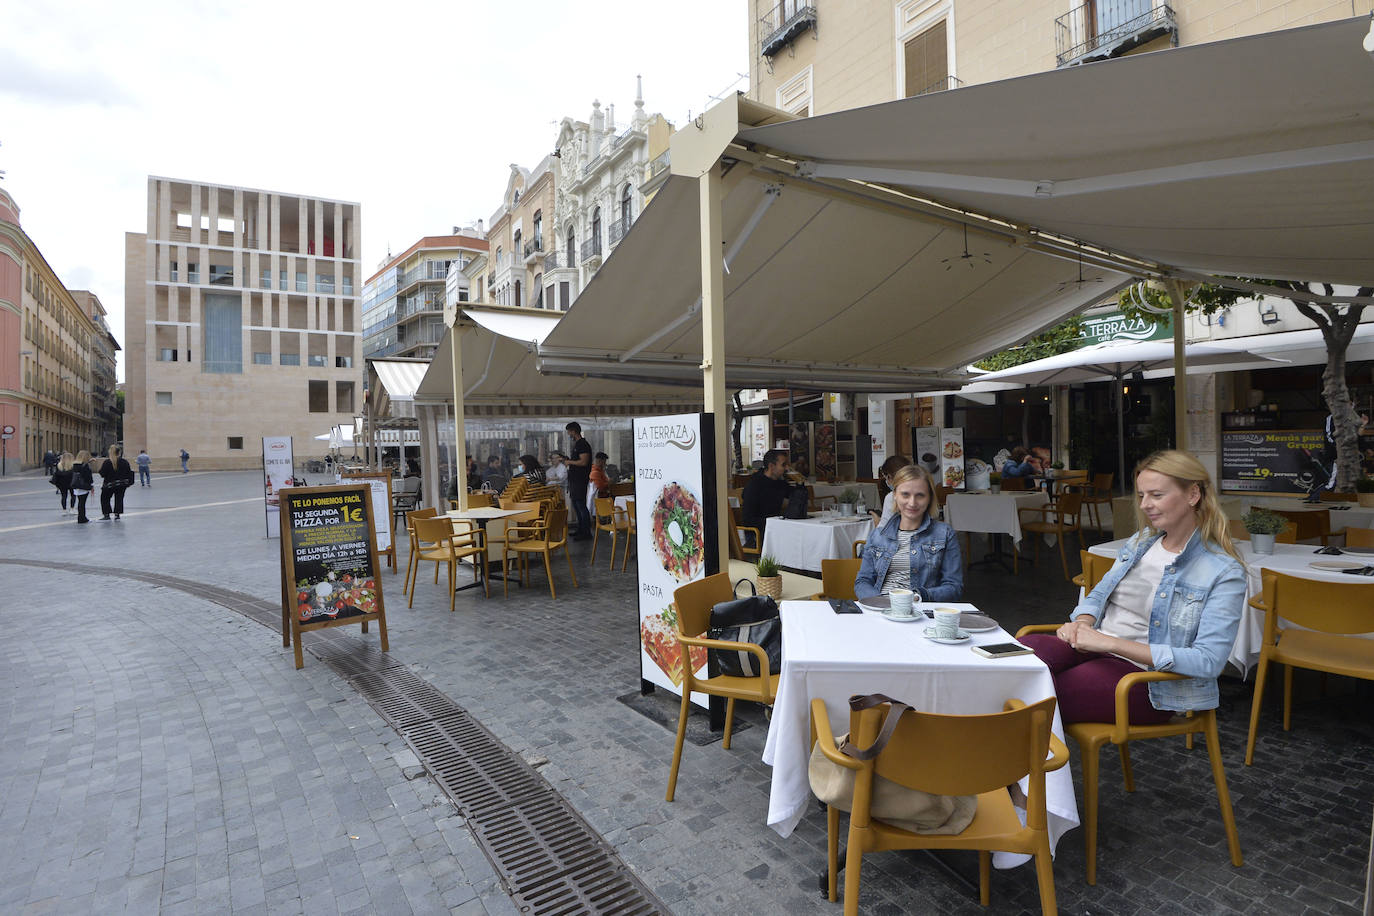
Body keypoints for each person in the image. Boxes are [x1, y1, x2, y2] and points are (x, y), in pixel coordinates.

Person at [1019, 450, 1245, 726]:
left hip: (1148, 682)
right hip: (1094, 649)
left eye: (1156, 495)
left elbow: (1208, 661)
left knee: (1038, 695)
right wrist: (1082, 622)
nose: (1145, 505)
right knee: (1018, 658)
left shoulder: (1223, 571)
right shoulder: (1141, 542)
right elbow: (1100, 592)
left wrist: (1111, 643)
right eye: (1141, 495)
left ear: (1193, 495)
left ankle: (1017, 765)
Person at [854, 464, 963, 601]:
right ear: (894, 495)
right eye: (905, 494)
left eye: (920, 496)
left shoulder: (944, 534)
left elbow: (954, 587)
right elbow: (863, 581)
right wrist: (879, 602)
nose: (912, 503)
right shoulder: (877, 535)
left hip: (920, 611)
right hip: (880, 609)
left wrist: (919, 597)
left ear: (929, 498)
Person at [740, 449, 797, 545]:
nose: (787, 468)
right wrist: (775, 522)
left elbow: (797, 495)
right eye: (783, 465)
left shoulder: (779, 482)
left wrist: (799, 480)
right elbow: (748, 520)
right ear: (771, 466)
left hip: (776, 528)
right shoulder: (754, 485)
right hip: (758, 534)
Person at [565, 422, 593, 539]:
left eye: (569, 432)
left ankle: (586, 531)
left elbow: (584, 461)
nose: (568, 434)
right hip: (575, 480)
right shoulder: (578, 444)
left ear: (573, 431)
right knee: (576, 505)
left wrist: (569, 462)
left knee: (581, 505)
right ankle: (580, 529)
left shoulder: (583, 444)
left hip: (580, 480)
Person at [869, 454, 909, 529]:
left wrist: (877, 522)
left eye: (885, 478)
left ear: (889, 476)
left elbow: (883, 532)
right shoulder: (924, 491)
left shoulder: (892, 497)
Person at [98, 445, 134, 520]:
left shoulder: (107, 462)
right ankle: (117, 514)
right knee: (119, 498)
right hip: (121, 484)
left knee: (105, 498)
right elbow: (129, 472)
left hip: (109, 484)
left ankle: (106, 514)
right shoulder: (124, 462)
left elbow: (102, 474)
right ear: (119, 452)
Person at [70, 450, 95, 524]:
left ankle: (81, 517)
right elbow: (88, 477)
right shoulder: (85, 466)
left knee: (80, 502)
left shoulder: (75, 465)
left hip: (76, 485)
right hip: (84, 486)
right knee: (82, 502)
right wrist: (91, 485)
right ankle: (82, 518)